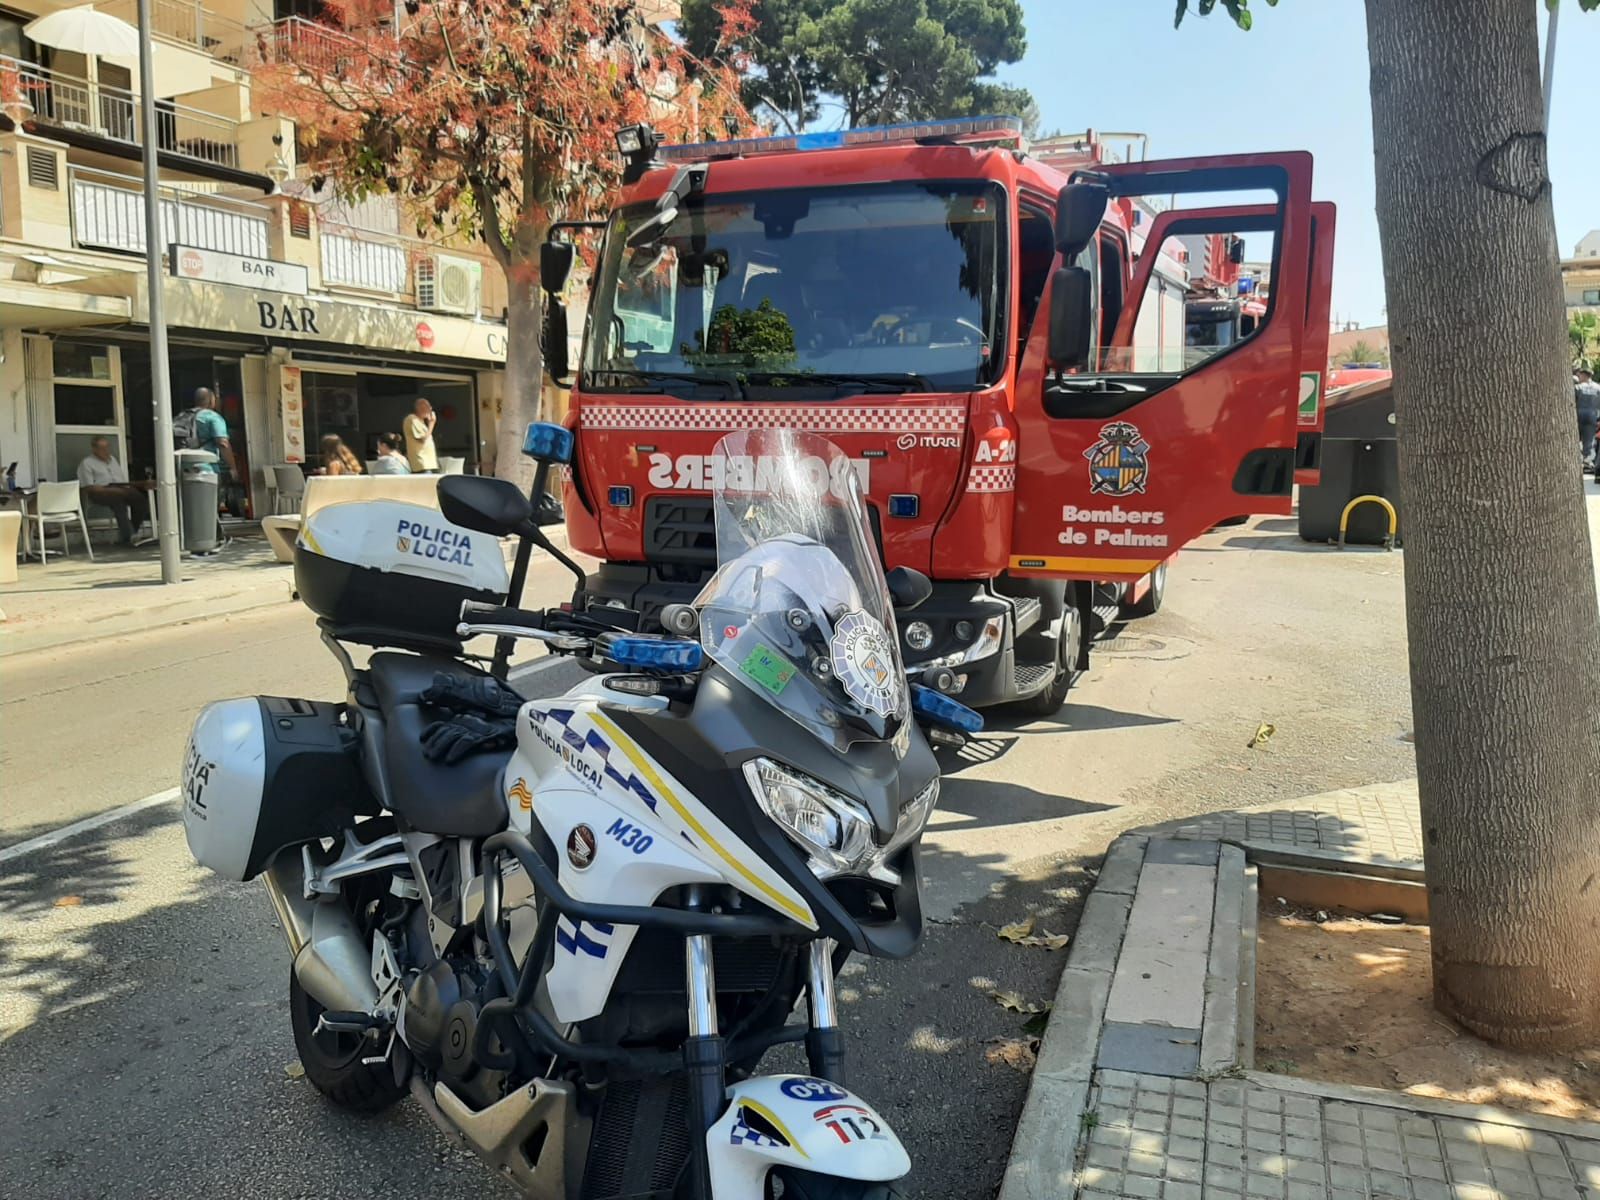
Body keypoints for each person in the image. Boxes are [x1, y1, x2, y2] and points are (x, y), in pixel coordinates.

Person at [76, 435, 154, 545]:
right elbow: (88, 487)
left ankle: (132, 532)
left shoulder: (112, 460)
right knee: (118, 501)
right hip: (99, 492)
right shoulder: (87, 463)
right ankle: (129, 536)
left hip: (120, 488)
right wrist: (112, 490)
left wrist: (140, 484)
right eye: (102, 448)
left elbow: (122, 481)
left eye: (107, 447)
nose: (106, 451)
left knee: (140, 500)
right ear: (94, 449)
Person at [189, 387, 235, 555]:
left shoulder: (184, 417)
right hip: (207, 467)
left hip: (183, 465)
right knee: (210, 505)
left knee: (191, 506)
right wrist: (232, 467)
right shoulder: (212, 417)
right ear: (211, 401)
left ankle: (196, 541)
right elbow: (223, 443)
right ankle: (211, 541)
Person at [404, 397, 439, 473]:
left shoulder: (421, 422)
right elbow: (422, 439)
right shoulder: (412, 419)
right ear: (419, 408)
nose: (430, 409)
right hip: (421, 464)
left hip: (428, 463)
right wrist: (432, 423)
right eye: (427, 407)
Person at [1576, 368, 1600, 472]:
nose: (1579, 377)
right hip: (1592, 416)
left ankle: (1577, 461)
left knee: (1575, 439)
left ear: (1584, 375)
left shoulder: (1578, 387)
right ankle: (1586, 461)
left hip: (1578, 415)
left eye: (1580, 375)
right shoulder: (1598, 388)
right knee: (1588, 441)